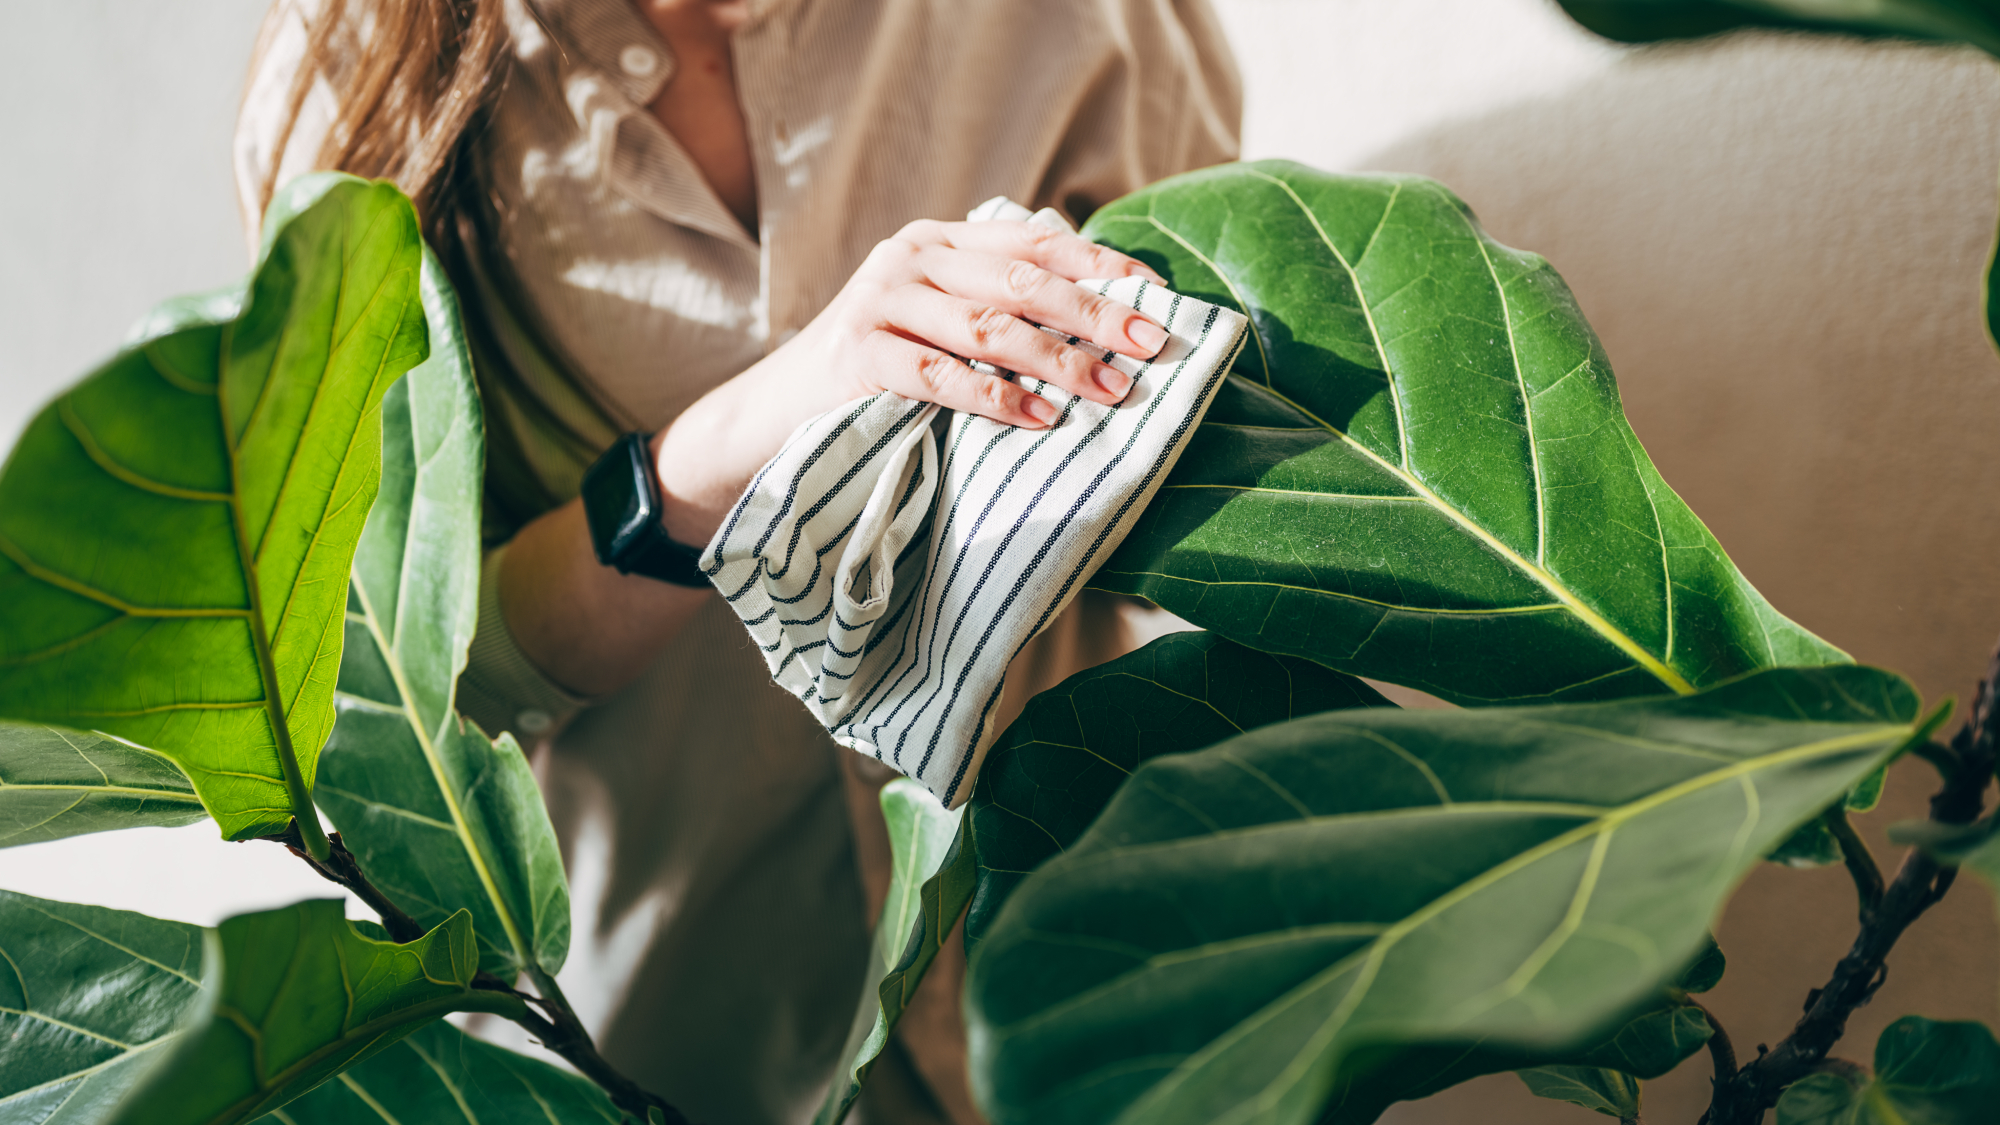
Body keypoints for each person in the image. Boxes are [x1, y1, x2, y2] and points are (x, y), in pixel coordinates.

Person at [236, 1, 1240, 1121]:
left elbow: (1211, 458)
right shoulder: (356, 80)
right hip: (665, 1029)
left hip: (1081, 941)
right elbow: (392, 686)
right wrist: (692, 476)